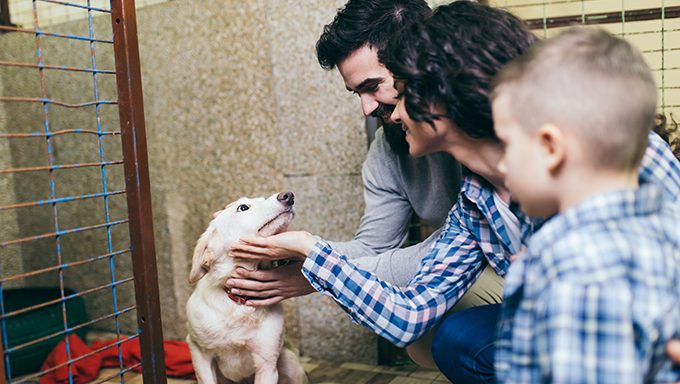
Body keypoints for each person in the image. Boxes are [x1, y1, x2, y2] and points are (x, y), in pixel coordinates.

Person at [229, 2, 680, 383]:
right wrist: (312, 253)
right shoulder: (477, 200)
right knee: (453, 337)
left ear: (438, 89)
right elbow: (408, 314)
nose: (376, 109)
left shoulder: (601, 152)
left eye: (396, 89)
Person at [225, 0, 503, 369]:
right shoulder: (468, 197)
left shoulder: (521, 151)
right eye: (356, 93)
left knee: (457, 333)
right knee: (431, 340)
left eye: (379, 87)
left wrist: (314, 268)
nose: (367, 109)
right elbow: (387, 268)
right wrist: (309, 256)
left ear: (424, 66)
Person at [491, 26, 680, 383]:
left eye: (507, 144)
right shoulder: (669, 225)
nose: (502, 163)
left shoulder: (576, 267)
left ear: (550, 148)